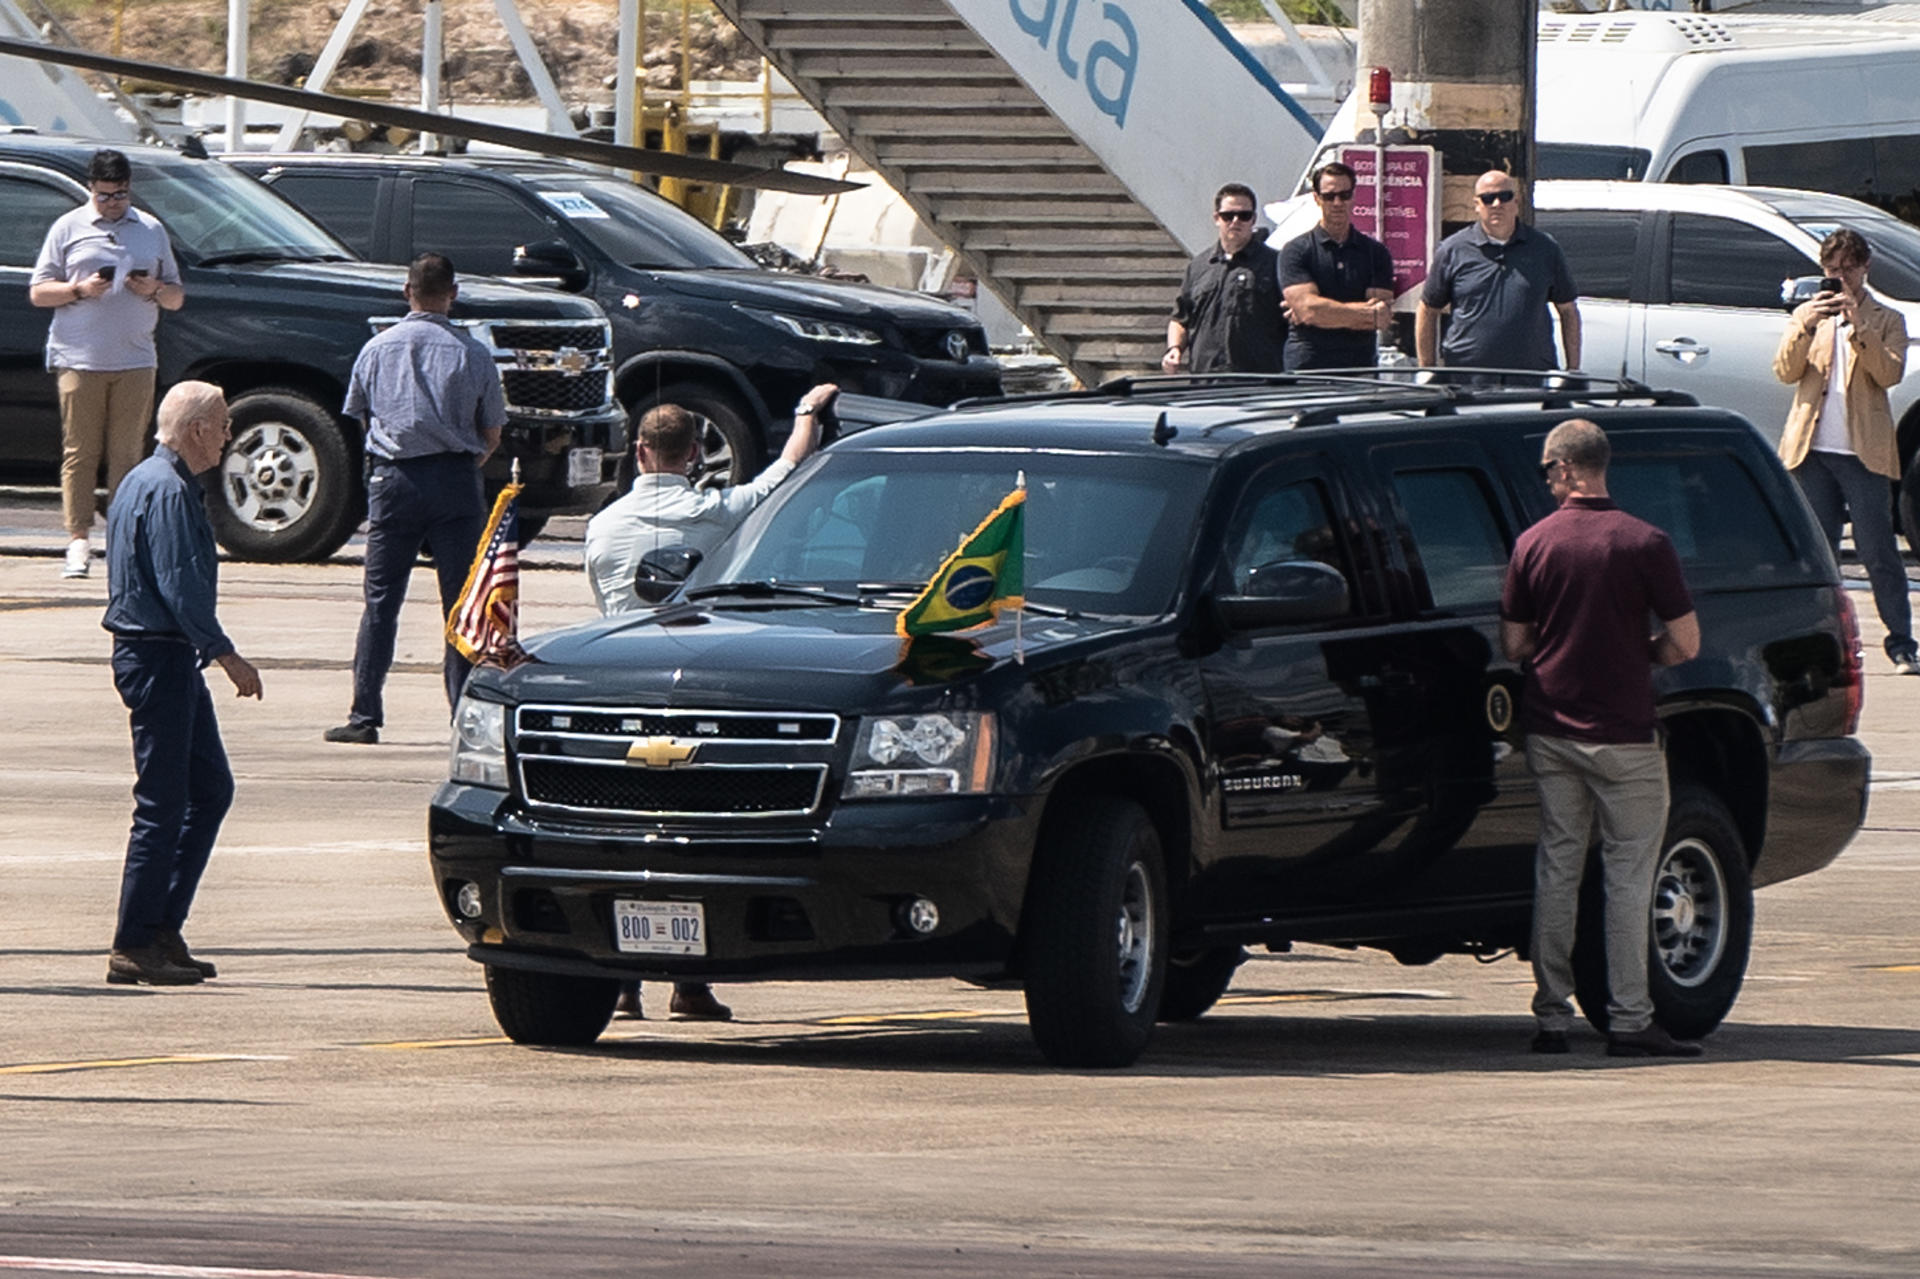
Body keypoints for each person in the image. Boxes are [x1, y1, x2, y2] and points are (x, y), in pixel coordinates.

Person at [585, 383, 838, 1019]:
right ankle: (690, 982)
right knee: (690, 843)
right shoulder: (722, 512)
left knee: (621, 838)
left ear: (639, 453)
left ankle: (621, 982)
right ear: (696, 452)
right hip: (698, 690)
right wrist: (807, 410)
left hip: (620, 687)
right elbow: (788, 471)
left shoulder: (602, 527)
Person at [1500, 419, 1704, 1059]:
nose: (1547, 479)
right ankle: (1629, 1017)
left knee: (1558, 868)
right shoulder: (1645, 542)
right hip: (1624, 735)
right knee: (1628, 876)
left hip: (1552, 728)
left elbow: (1516, 644)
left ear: (1564, 469)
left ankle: (1552, 1015)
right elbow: (1686, 641)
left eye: (1546, 470)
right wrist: (1638, 650)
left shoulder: (1533, 544)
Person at [101, 380, 262, 986]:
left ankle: (162, 926)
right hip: (159, 655)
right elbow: (179, 585)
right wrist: (227, 655)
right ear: (196, 430)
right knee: (162, 802)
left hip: (165, 656)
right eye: (222, 425)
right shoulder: (166, 490)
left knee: (210, 789)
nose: (227, 436)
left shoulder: (147, 478)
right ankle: (135, 939)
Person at [325, 253, 504, 745]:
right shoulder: (474, 353)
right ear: (454, 294)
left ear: (407, 292)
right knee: (461, 605)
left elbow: (361, 417)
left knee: (380, 603)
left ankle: (365, 714)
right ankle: (464, 718)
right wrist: (465, 461)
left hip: (395, 479)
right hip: (454, 480)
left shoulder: (377, 348)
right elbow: (491, 431)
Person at [29, 148, 185, 580]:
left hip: (135, 357)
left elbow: (176, 297)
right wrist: (78, 289)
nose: (113, 204)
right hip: (80, 357)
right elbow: (39, 292)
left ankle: (123, 539)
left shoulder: (150, 229)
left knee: (128, 454)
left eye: (120, 195)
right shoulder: (68, 227)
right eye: (105, 195)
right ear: (91, 190)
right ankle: (78, 539)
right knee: (80, 451)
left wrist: (152, 288)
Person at [1774, 227, 1916, 674]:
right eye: (1831, 271)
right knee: (1821, 554)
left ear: (1864, 268)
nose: (1839, 279)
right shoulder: (1809, 315)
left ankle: (1901, 642)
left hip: (1863, 453)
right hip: (1811, 451)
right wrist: (1804, 323)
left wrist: (1858, 324)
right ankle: (1821, 644)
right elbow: (1784, 370)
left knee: (1879, 554)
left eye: (1847, 270)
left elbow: (1889, 374)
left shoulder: (1887, 319)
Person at [1416, 171, 1581, 380]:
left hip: (1531, 379)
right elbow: (1427, 309)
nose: (1496, 204)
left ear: (1517, 202)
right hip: (1466, 379)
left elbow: (1568, 310)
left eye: (1504, 197)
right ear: (1476, 205)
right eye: (1487, 198)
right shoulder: (1452, 250)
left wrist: (1573, 370)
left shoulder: (1545, 248)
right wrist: (1427, 369)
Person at [1279, 161, 1396, 371]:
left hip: (1359, 369)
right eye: (1329, 196)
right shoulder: (1295, 250)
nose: (1337, 202)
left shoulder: (1375, 253)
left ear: (1354, 197)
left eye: (1344, 195)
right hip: (1307, 369)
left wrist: (1321, 311)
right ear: (1316, 198)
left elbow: (1380, 317)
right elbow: (1308, 310)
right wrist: (1360, 313)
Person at [1163, 183, 1287, 376]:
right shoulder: (1198, 267)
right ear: (1216, 218)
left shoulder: (1276, 264)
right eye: (1228, 216)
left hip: (1260, 381)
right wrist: (1174, 349)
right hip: (1207, 380)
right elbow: (1180, 318)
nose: (1235, 221)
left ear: (1253, 219)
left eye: (1244, 216)